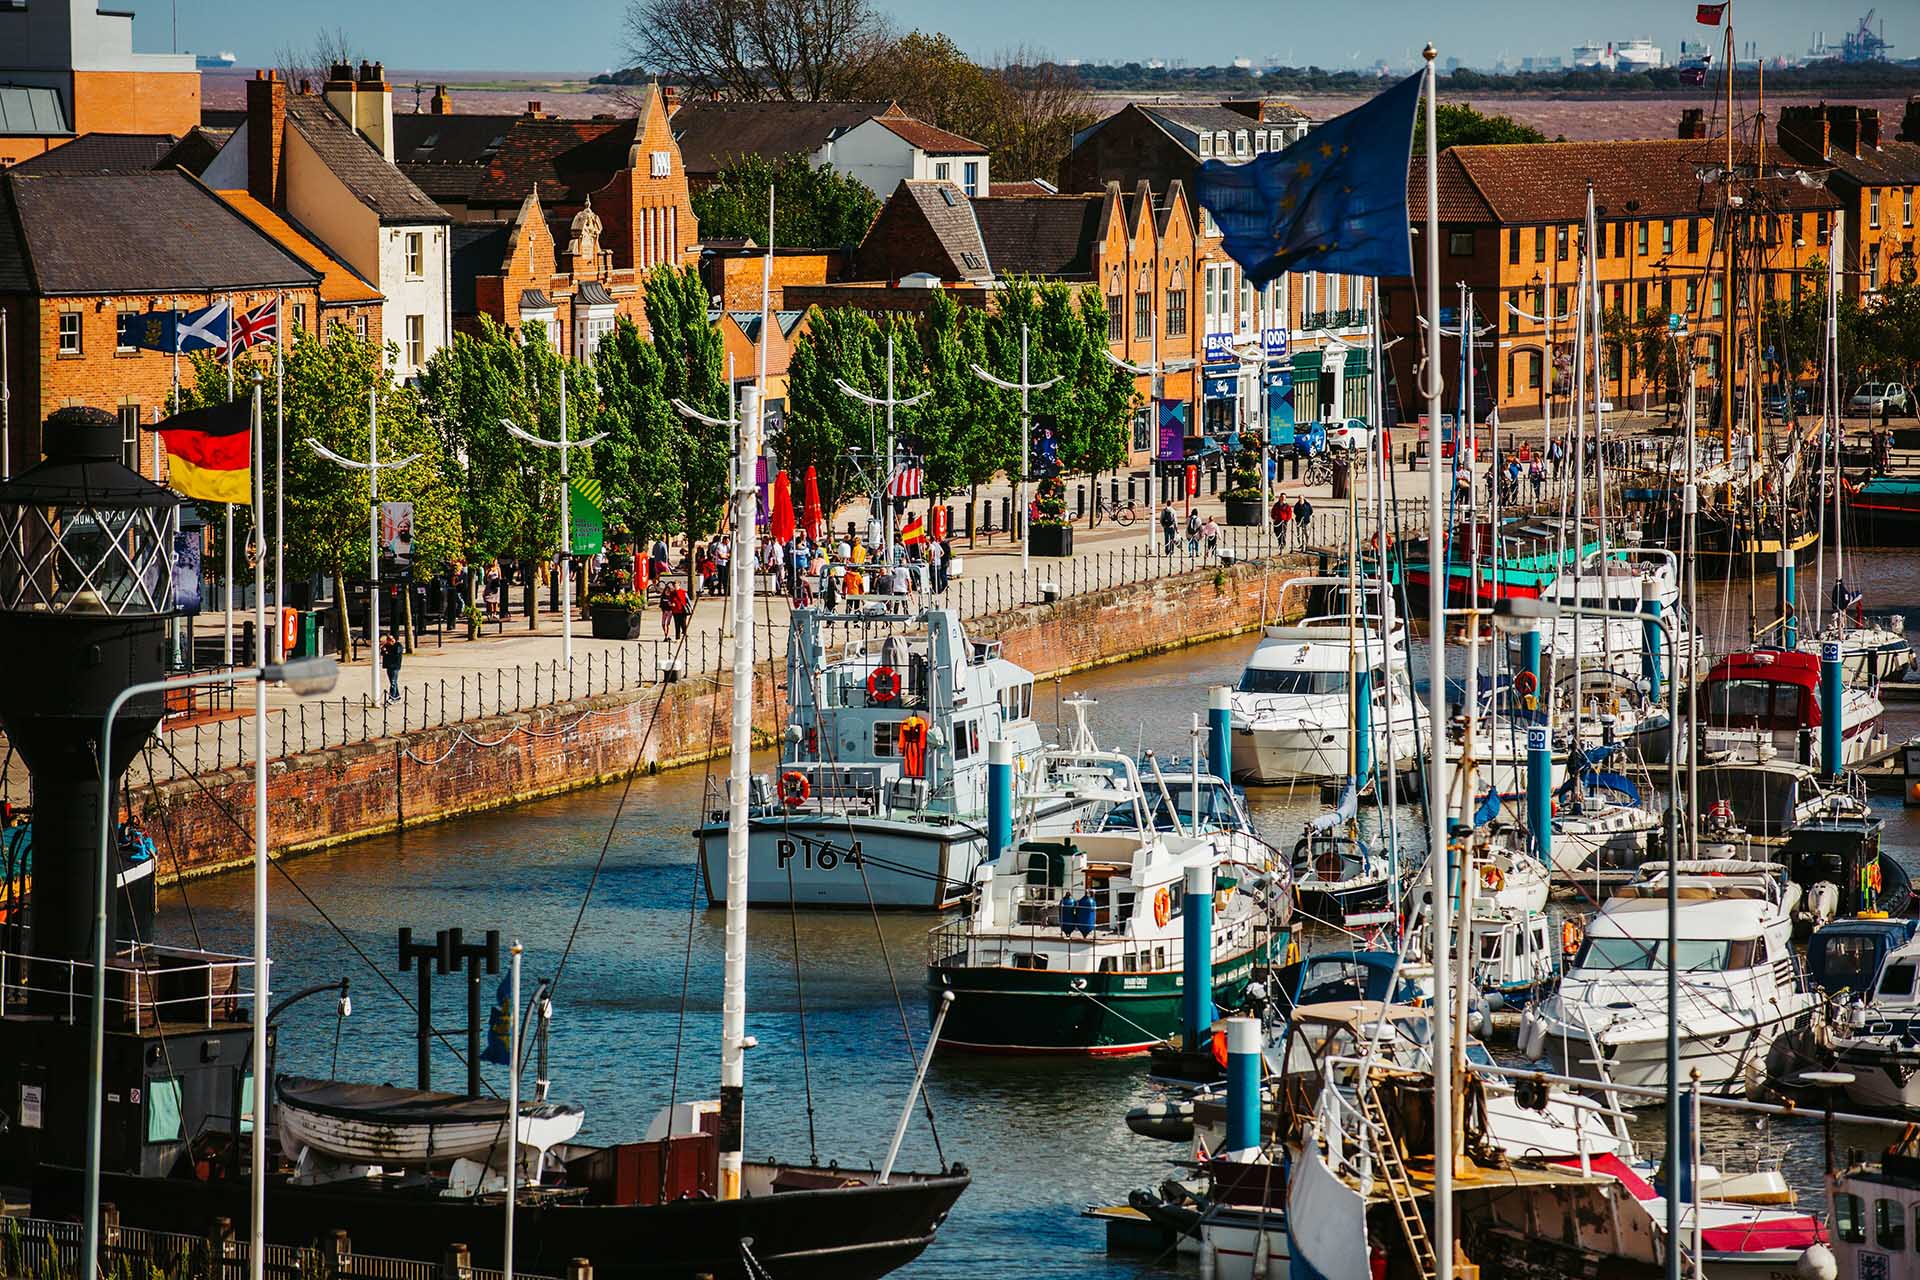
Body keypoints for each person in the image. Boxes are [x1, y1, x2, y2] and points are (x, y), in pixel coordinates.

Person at [379, 633, 402, 701]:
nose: (390, 641)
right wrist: (383, 649)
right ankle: (397, 696)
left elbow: (396, 655)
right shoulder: (387, 646)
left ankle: (392, 697)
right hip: (388, 665)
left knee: (393, 682)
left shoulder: (398, 645)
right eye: (388, 640)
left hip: (395, 666)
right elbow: (382, 653)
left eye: (391, 640)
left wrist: (387, 652)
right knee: (393, 682)